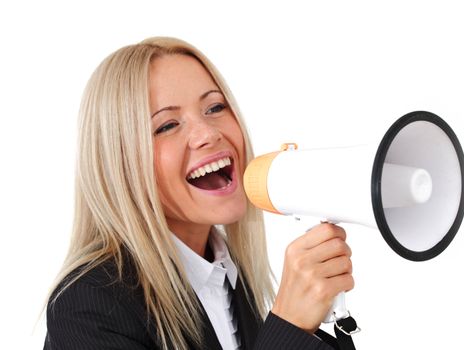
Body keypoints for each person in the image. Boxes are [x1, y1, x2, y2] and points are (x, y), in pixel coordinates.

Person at [44, 36, 354, 350]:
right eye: (166, 125)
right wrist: (289, 326)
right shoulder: (85, 308)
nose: (208, 133)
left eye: (215, 107)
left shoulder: (226, 274)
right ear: (121, 164)